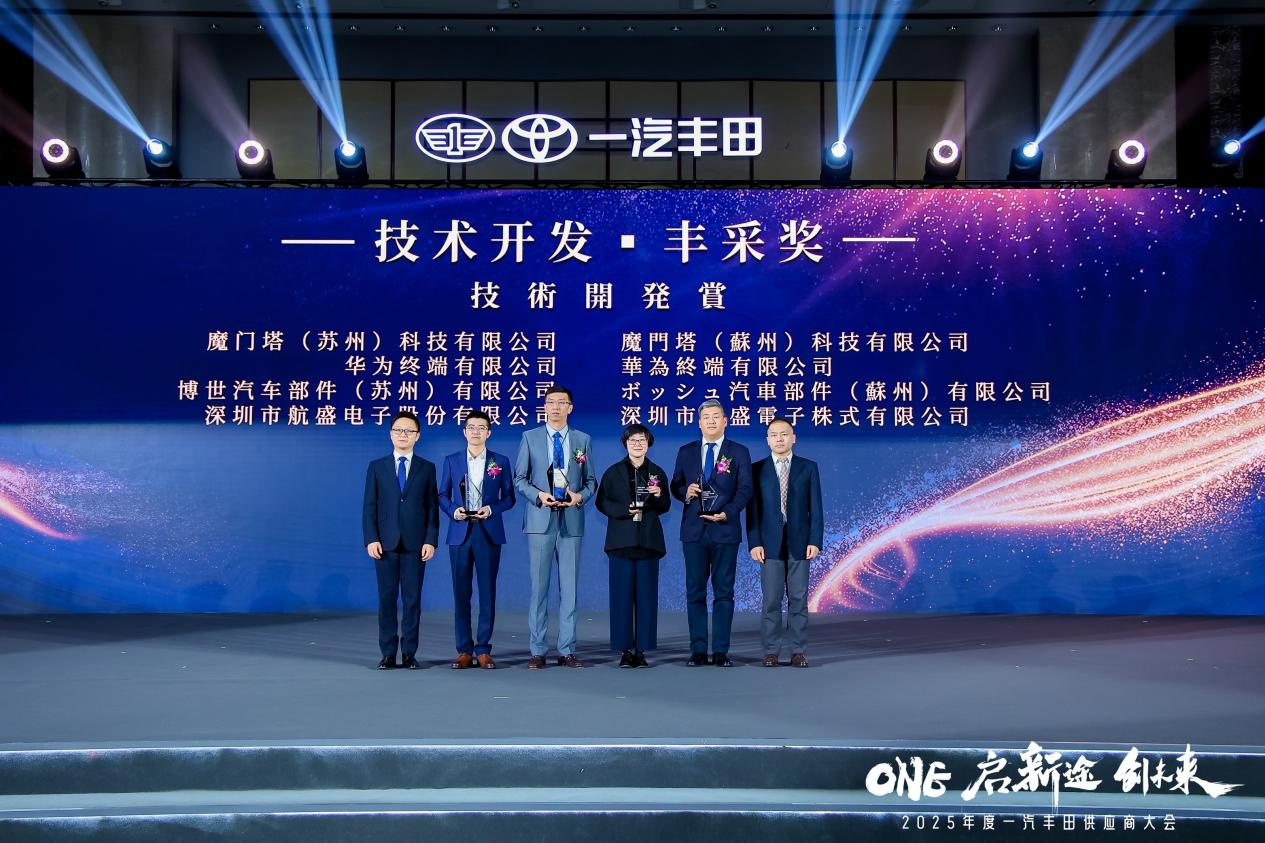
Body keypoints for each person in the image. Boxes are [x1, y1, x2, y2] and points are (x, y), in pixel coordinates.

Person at [513, 385, 597, 668]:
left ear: (570, 407)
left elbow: (591, 481)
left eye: (562, 402)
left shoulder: (582, 440)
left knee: (569, 589)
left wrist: (579, 497)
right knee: (539, 589)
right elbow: (520, 479)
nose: (556, 407)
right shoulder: (530, 437)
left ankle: (567, 649)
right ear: (545, 406)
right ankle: (537, 650)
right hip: (541, 520)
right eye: (551, 402)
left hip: (571, 521)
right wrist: (539, 496)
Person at [670, 398, 753, 667]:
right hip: (693, 532)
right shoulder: (686, 451)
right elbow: (675, 485)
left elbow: (745, 490)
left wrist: (727, 512)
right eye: (706, 417)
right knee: (695, 592)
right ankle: (697, 650)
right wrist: (685, 492)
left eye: (716, 416)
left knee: (723, 592)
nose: (711, 421)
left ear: (725, 421)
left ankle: (720, 651)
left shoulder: (738, 452)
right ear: (699, 423)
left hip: (724, 530)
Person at [438, 411, 516, 670]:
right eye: (471, 427)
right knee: (461, 593)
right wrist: (454, 511)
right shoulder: (452, 460)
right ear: (464, 431)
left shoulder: (500, 461)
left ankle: (483, 649)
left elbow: (509, 498)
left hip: (488, 532)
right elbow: (442, 495)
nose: (475, 431)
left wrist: (491, 509)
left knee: (487, 592)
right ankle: (463, 649)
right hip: (460, 533)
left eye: (481, 427)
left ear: (488, 432)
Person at [362, 410, 438, 670]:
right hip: (385, 544)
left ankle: (409, 653)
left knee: (412, 600)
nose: (403, 434)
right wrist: (371, 538)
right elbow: (369, 506)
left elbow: (432, 507)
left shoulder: (427, 468)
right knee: (386, 599)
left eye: (409, 431)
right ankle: (387, 653)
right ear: (390, 434)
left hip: (416, 545)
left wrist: (431, 540)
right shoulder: (377, 466)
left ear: (417, 436)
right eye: (398, 430)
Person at [747, 418, 823, 668]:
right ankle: (771, 651)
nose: (779, 439)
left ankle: (798, 651)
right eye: (774, 435)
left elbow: (816, 508)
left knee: (798, 598)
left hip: (800, 541)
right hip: (769, 543)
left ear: (794, 438)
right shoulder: (756, 469)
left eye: (784, 434)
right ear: (767, 440)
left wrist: (815, 540)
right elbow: (752, 510)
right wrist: (754, 542)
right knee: (771, 599)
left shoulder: (808, 467)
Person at [595, 423, 671, 668]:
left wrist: (658, 496)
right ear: (625, 444)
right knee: (621, 599)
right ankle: (625, 651)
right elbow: (601, 502)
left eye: (642, 440)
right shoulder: (613, 472)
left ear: (649, 444)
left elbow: (665, 505)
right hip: (621, 542)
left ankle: (642, 650)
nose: (637, 444)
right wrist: (623, 510)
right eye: (633, 440)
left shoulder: (657, 472)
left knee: (647, 599)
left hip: (648, 542)